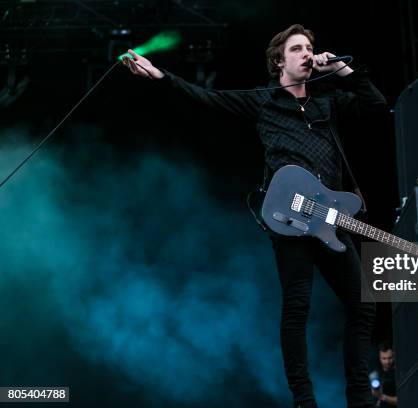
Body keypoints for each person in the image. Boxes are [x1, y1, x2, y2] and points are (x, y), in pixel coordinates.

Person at [123, 24, 385, 408]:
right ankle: (304, 400)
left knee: (363, 304)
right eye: (298, 49)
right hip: (290, 219)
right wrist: (161, 76)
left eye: (310, 48)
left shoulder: (326, 103)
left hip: (327, 219)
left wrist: (344, 71)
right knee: (298, 306)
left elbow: (377, 107)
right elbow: (205, 99)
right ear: (280, 60)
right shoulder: (264, 101)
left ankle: (360, 398)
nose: (307, 54)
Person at [371, 341, 397, 407]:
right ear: (379, 358)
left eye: (390, 358)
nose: (387, 362)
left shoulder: (398, 374)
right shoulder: (375, 374)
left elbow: (402, 399)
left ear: (394, 356)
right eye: (384, 358)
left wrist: (382, 396)